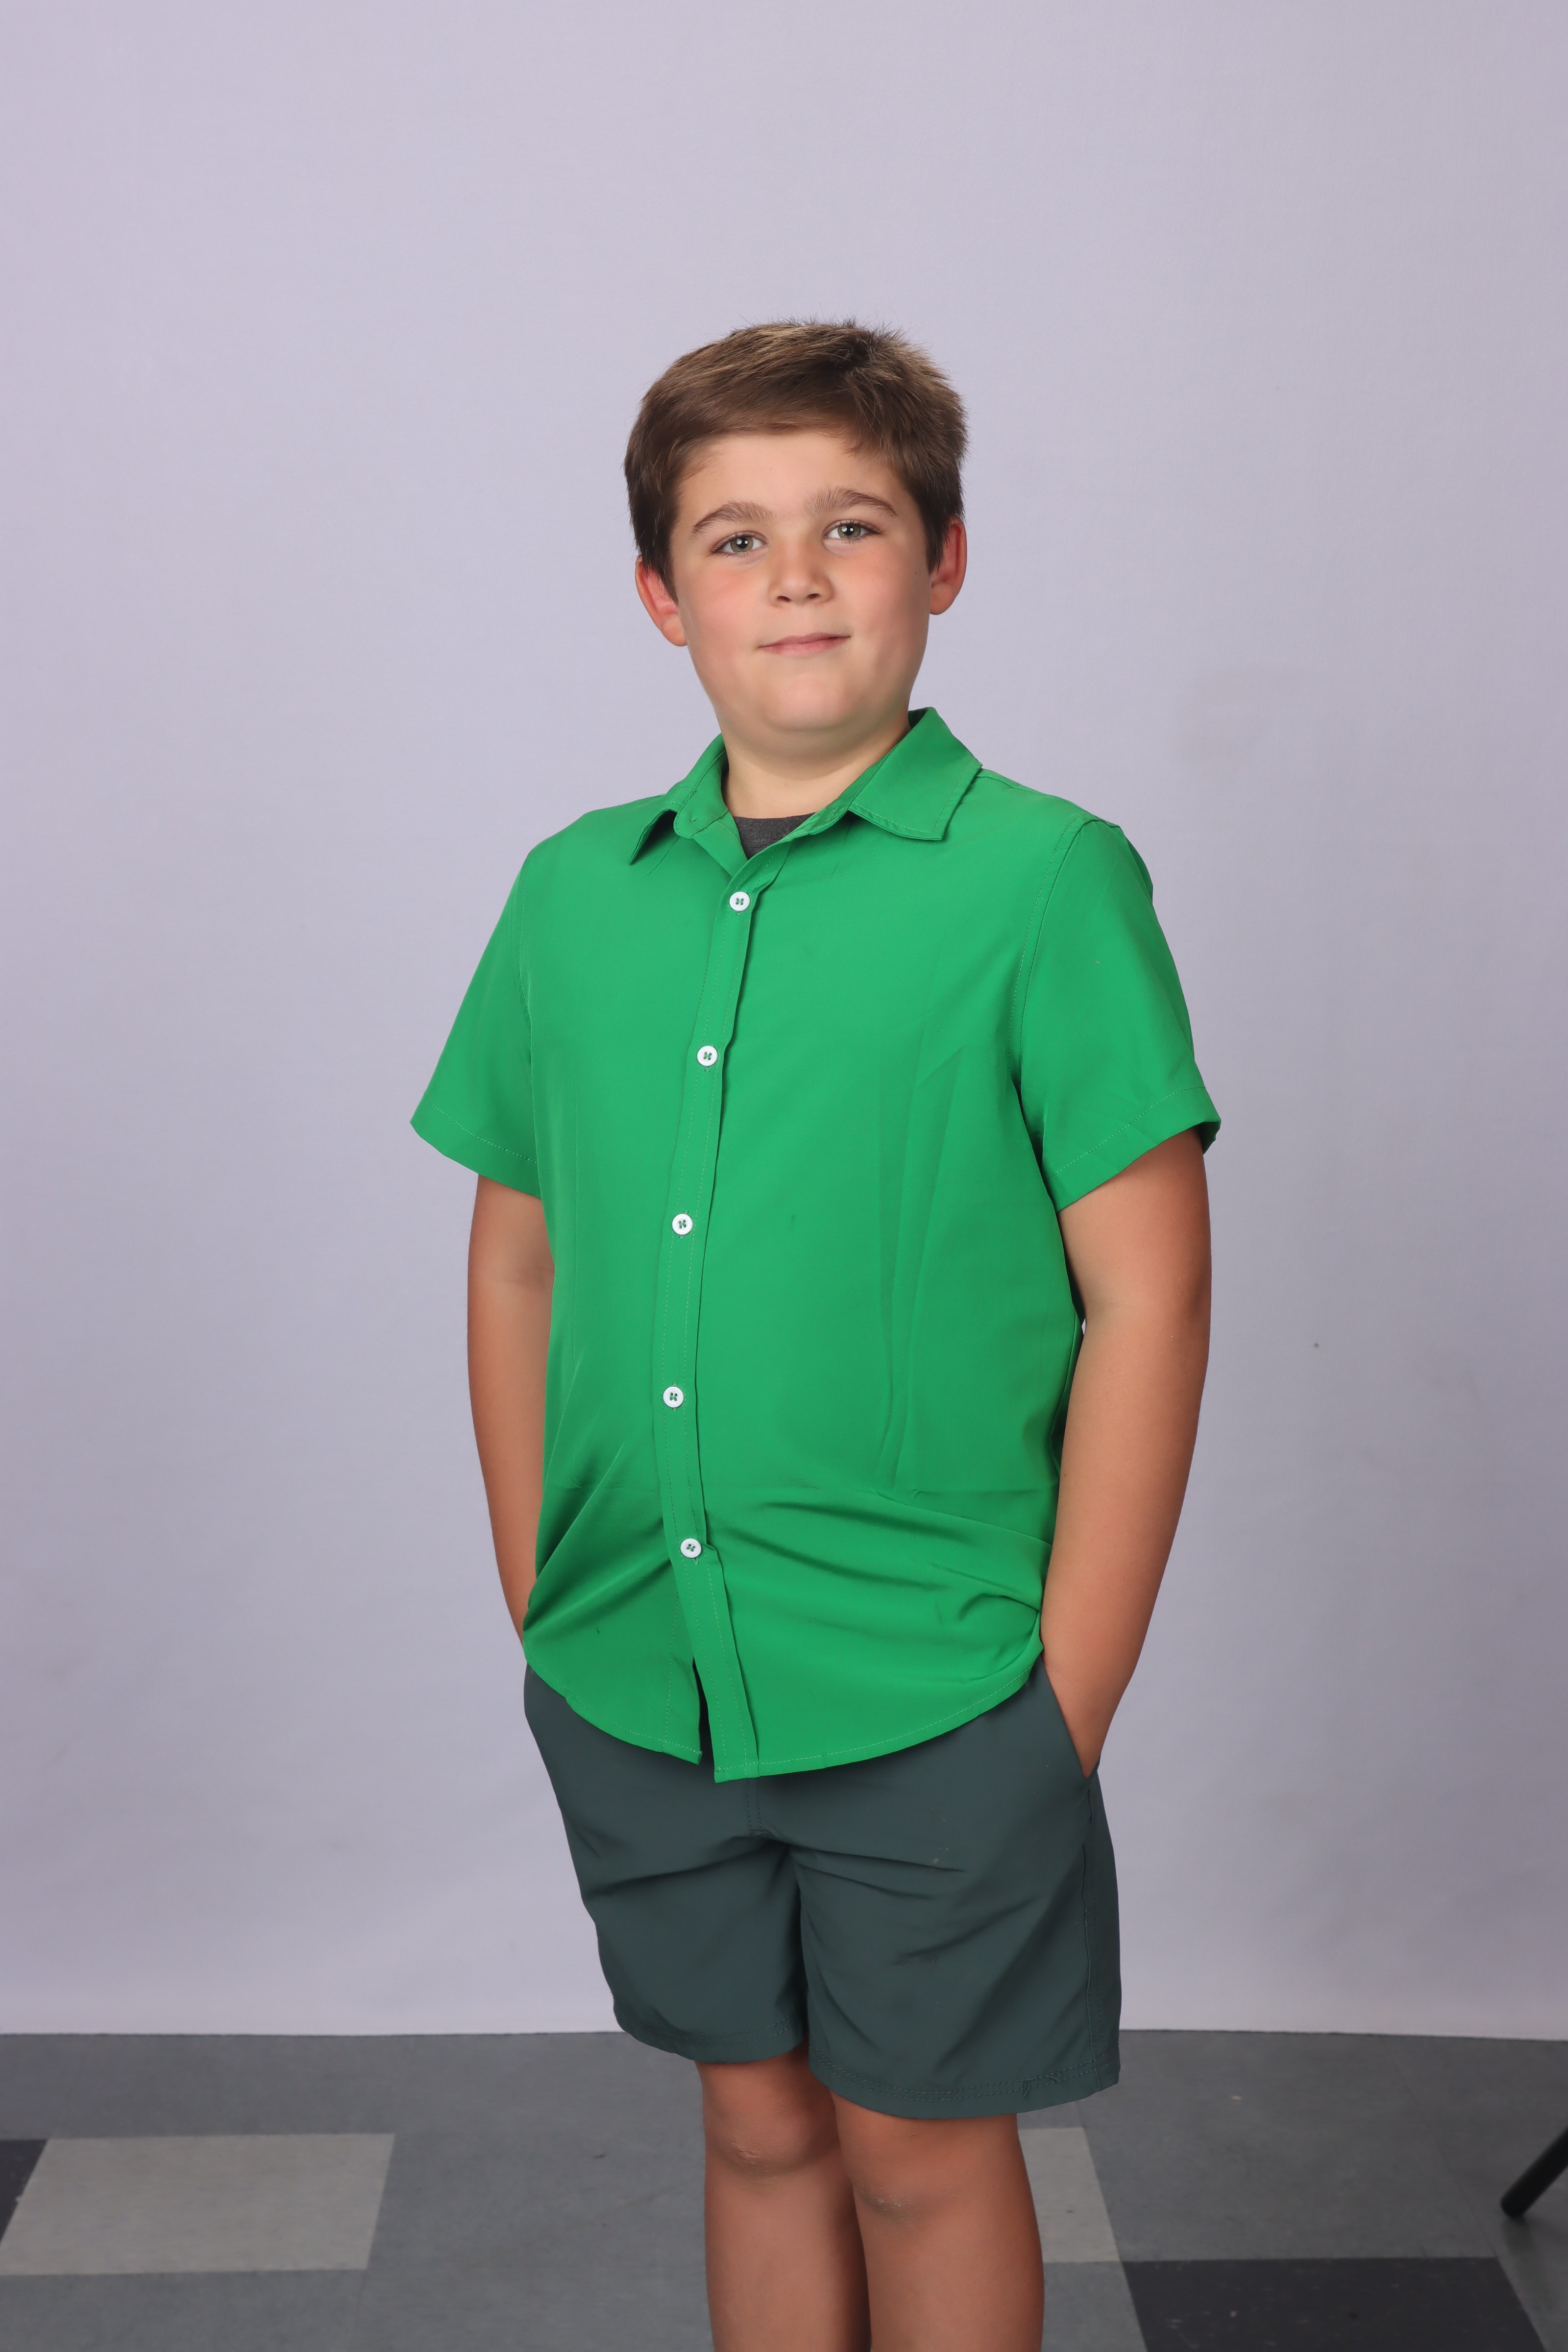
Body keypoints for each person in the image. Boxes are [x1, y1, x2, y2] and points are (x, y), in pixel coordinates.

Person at [412, 320, 1218, 2352]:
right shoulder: (570, 896)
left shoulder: (1048, 884)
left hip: (941, 1681)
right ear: (657, 592)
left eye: (848, 526)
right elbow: (517, 1263)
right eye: (734, 537)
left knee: (918, 2153)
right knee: (758, 2127)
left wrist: (1067, 1697)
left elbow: (1149, 1294)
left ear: (943, 560)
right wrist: (538, 1589)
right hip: (639, 1666)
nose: (792, 577)